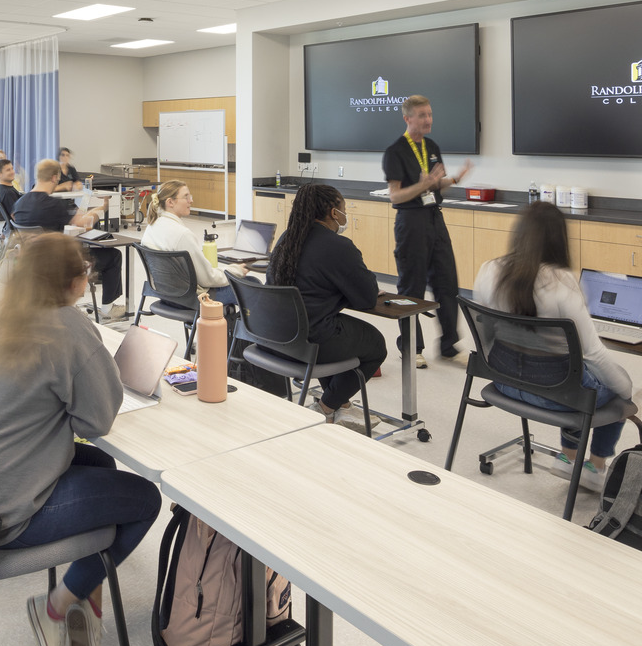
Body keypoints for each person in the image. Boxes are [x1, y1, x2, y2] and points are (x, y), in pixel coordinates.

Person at [0, 232, 161, 646]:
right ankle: (58, 605)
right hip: (6, 515)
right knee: (145, 500)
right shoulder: (68, 325)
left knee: (103, 468)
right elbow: (96, 421)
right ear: (75, 281)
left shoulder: (14, 315)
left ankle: (89, 597)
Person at [473, 202, 635, 492]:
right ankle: (595, 467)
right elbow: (593, 354)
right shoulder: (563, 283)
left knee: (575, 377)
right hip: (554, 395)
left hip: (504, 382)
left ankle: (569, 458)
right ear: (559, 238)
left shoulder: (489, 270)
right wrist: (627, 390)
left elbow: (486, 335)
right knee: (612, 387)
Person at [266, 183, 386, 424]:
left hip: (273, 335)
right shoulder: (339, 246)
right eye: (344, 209)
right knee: (375, 344)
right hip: (308, 341)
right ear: (334, 212)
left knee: (331, 329)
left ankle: (343, 404)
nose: (345, 215)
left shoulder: (287, 238)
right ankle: (325, 407)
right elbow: (367, 297)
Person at [383, 94, 473, 369]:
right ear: (407, 118)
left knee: (447, 283)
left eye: (430, 114)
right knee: (412, 287)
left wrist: (454, 178)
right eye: (422, 115)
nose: (428, 119)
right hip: (410, 221)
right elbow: (395, 196)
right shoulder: (395, 151)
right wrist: (424, 185)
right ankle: (412, 348)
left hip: (435, 218)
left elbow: (434, 184)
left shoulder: (431, 146)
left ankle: (449, 346)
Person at [13, 159, 123, 318]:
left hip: (30, 262)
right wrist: (101, 208)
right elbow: (82, 225)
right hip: (58, 264)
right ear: (54, 178)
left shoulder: (19, 203)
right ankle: (108, 308)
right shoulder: (53, 205)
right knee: (113, 255)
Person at [140, 180, 238, 305]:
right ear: (170, 202)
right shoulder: (182, 234)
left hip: (167, 296)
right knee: (250, 283)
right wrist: (236, 270)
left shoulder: (152, 226)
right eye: (186, 197)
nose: (191, 201)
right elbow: (207, 278)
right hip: (193, 300)